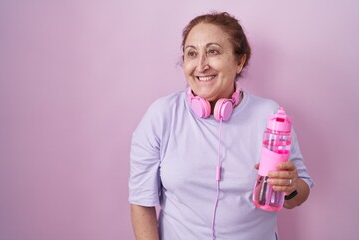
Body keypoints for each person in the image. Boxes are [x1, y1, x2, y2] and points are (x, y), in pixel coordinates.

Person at [128, 11, 313, 240]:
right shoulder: (161, 115)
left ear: (240, 61)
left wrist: (291, 186)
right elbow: (141, 201)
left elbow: (298, 195)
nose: (201, 65)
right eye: (191, 54)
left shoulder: (271, 115)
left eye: (213, 51)